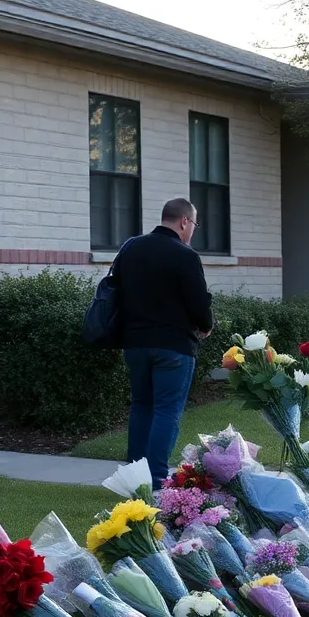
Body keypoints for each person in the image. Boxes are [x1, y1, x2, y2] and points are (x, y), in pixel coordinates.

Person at [113, 198, 214, 488]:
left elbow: (116, 289)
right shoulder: (185, 255)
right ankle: (157, 478)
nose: (193, 230)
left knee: (141, 407)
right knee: (166, 411)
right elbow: (198, 302)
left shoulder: (130, 248)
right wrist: (206, 325)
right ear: (184, 221)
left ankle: (134, 478)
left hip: (134, 343)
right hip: (173, 346)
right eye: (194, 224)